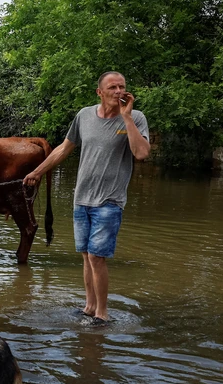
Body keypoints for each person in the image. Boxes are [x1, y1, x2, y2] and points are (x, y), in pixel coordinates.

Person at [23, 71, 150, 326]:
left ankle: (102, 314)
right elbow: (64, 149)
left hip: (110, 200)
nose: (119, 91)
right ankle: (89, 307)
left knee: (96, 256)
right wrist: (37, 172)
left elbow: (141, 153)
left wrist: (127, 119)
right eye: (112, 87)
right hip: (82, 199)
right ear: (99, 92)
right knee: (85, 255)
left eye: (122, 87)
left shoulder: (135, 118)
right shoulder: (84, 116)